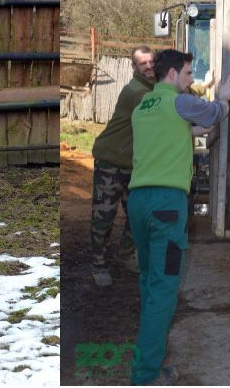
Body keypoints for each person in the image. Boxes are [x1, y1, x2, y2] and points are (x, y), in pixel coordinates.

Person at [128, 49, 230, 385]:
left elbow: (181, 131)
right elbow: (213, 112)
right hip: (166, 204)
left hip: (138, 202)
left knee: (150, 283)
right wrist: (223, 98)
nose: (192, 80)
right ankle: (144, 376)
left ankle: (152, 361)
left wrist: (199, 128)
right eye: (189, 74)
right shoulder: (179, 102)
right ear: (173, 74)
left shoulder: (144, 106)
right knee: (164, 291)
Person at [89, 46, 155, 287]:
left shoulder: (153, 88)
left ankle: (125, 254)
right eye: (143, 63)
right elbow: (168, 104)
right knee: (103, 216)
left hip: (132, 165)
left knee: (138, 214)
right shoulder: (136, 92)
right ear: (134, 67)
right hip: (111, 160)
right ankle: (98, 265)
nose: (148, 67)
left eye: (151, 62)